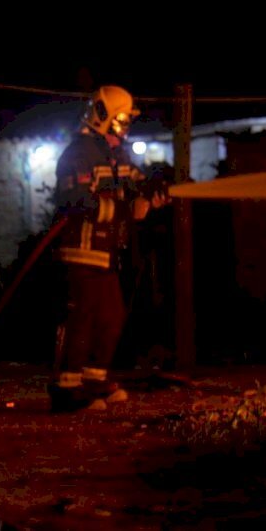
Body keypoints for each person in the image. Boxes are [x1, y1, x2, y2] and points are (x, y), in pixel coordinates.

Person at [47, 85, 167, 412]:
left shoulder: (116, 154)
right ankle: (66, 389)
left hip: (106, 252)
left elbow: (135, 181)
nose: (125, 128)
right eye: (121, 120)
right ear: (104, 117)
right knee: (82, 317)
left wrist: (155, 189)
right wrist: (127, 210)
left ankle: (93, 382)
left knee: (111, 317)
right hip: (80, 249)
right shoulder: (78, 153)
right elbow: (75, 200)